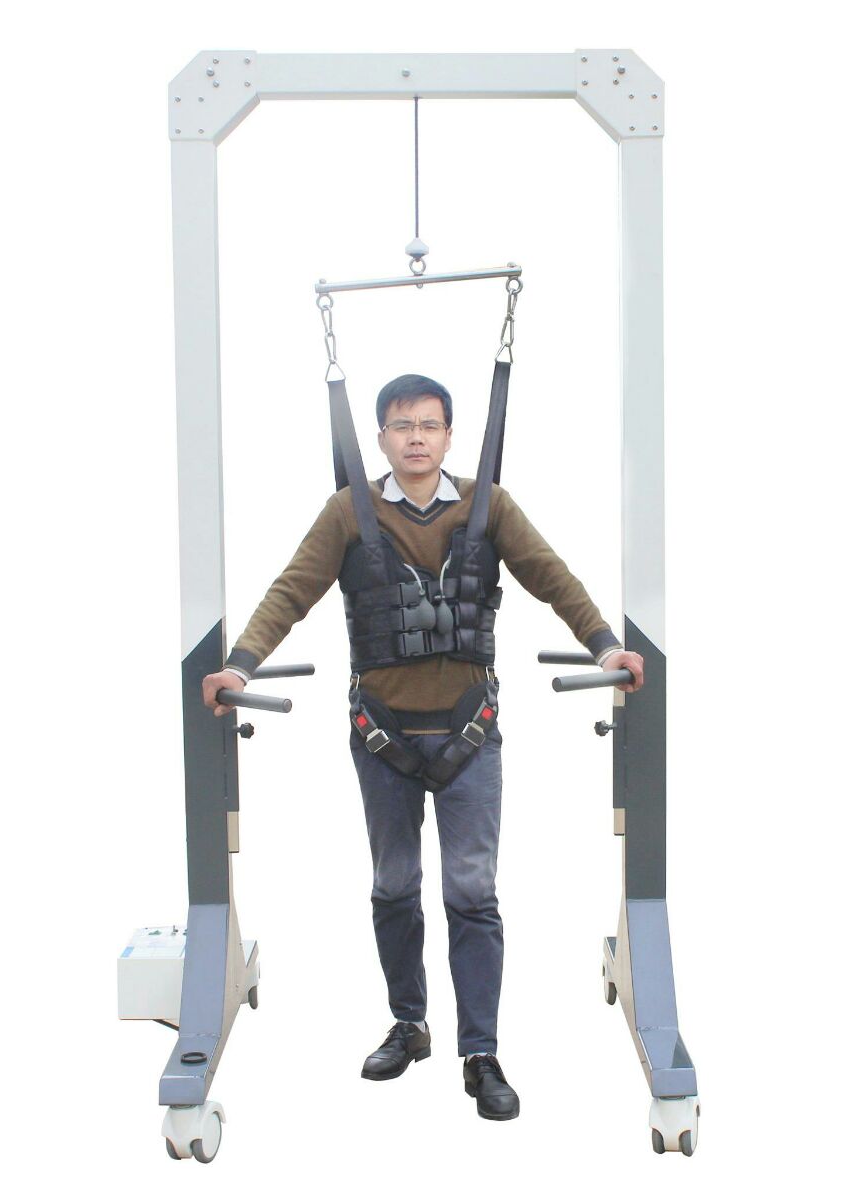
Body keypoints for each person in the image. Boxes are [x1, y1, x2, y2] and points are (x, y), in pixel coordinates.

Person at [202, 373, 643, 1122]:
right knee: (394, 886)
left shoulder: (487, 506)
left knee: (471, 893)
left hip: (470, 734)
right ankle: (409, 1024)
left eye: (429, 425)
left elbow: (551, 577)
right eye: (402, 425)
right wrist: (240, 665)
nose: (415, 437)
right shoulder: (349, 512)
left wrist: (604, 646)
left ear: (448, 435)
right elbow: (291, 591)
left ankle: (481, 1052)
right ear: (380, 437)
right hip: (383, 738)